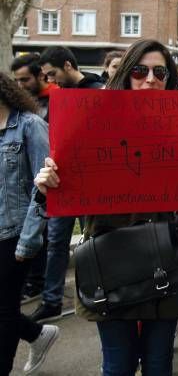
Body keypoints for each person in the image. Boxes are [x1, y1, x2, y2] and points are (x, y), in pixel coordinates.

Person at [33, 39, 178, 375]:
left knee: (159, 362)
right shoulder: (89, 121)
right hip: (110, 259)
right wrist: (47, 187)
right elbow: (58, 197)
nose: (150, 79)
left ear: (170, 78)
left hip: (167, 259)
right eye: (140, 70)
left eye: (161, 72)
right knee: (117, 363)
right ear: (127, 74)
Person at [30, 46, 105, 323]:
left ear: (67, 65)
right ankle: (52, 299)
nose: (51, 80)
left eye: (52, 74)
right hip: (64, 180)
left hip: (92, 182)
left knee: (93, 240)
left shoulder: (100, 91)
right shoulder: (59, 97)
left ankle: (97, 291)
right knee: (56, 240)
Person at [0, 73, 58, 376]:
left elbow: (44, 188)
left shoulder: (29, 126)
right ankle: (37, 334)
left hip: (14, 233)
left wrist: (29, 240)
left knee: (4, 309)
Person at [11, 53, 58, 122]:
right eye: (16, 81)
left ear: (41, 76)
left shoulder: (58, 97)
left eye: (24, 80)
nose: (19, 86)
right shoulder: (18, 99)